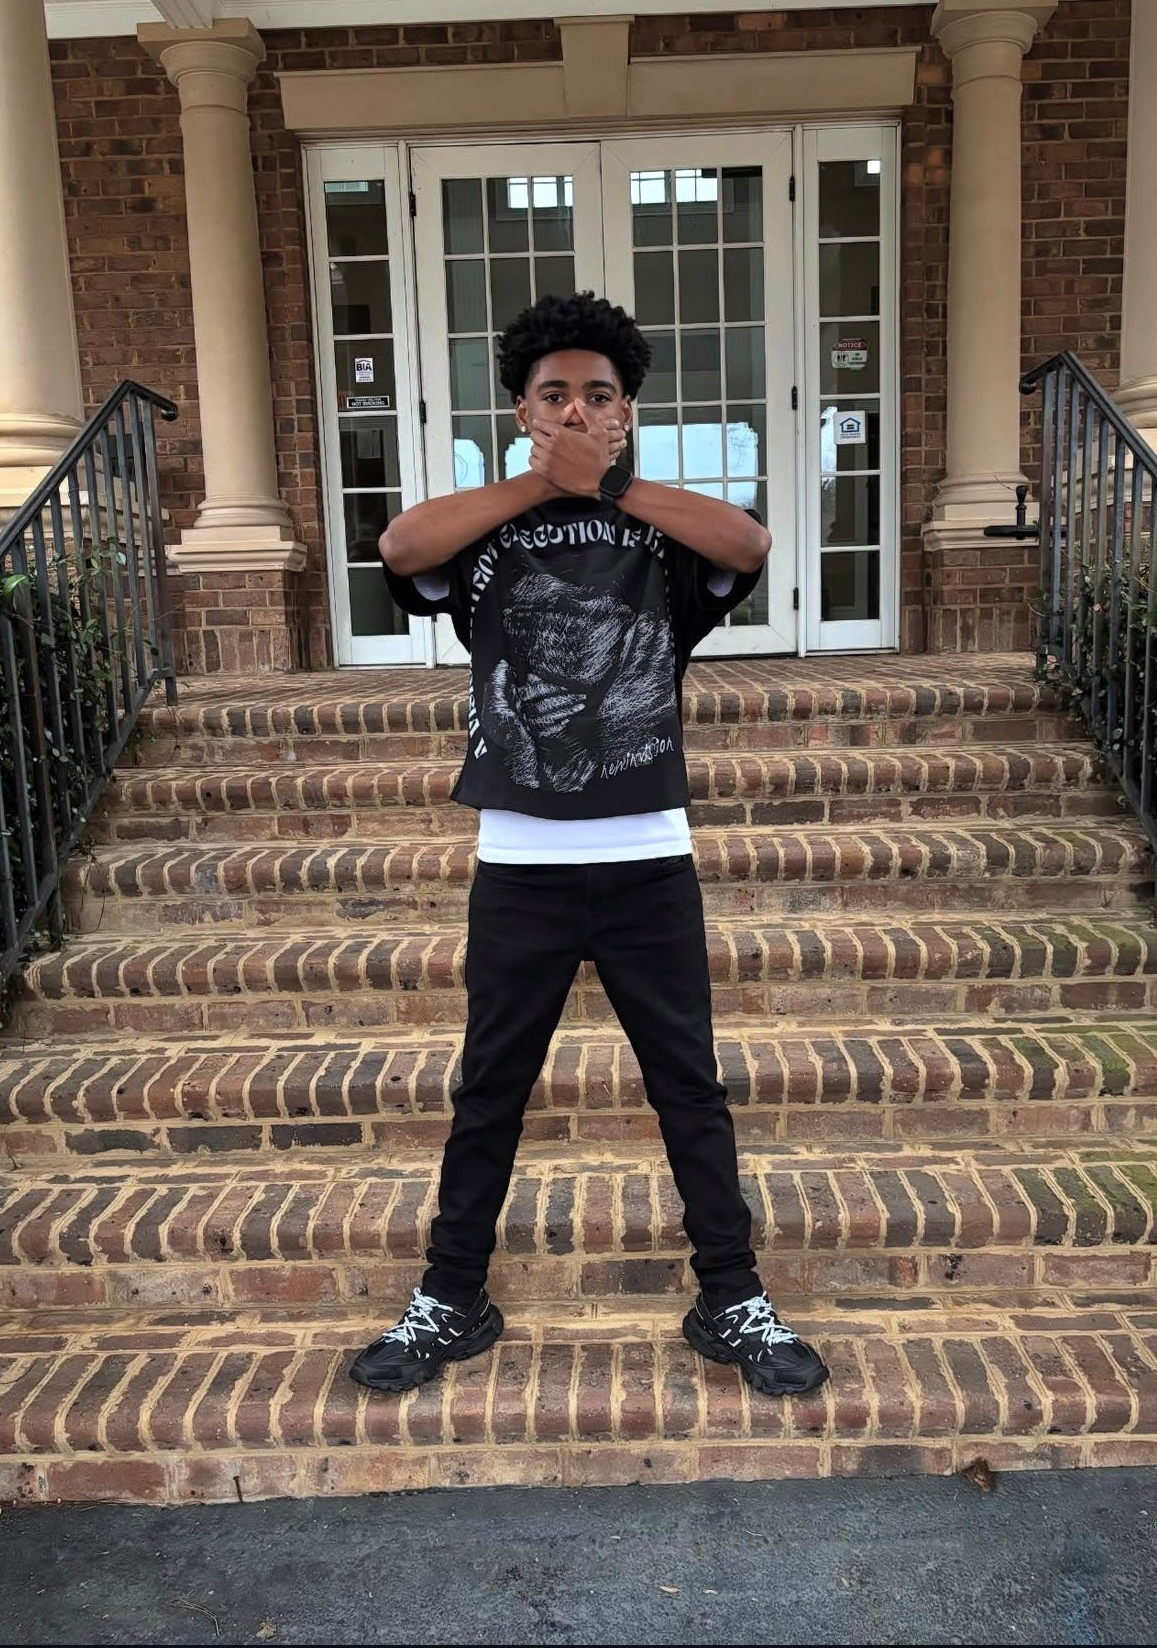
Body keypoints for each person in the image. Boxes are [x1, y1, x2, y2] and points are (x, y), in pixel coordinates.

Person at [349, 292, 829, 1400]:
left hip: (646, 855)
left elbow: (748, 544)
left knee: (687, 1088)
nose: (575, 409)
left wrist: (606, 487)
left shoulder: (661, 535)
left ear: (626, 415)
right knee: (490, 1090)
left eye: (598, 395)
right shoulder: (486, 527)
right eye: (553, 394)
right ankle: (451, 1296)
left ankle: (730, 1296)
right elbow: (399, 547)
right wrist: (540, 484)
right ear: (521, 411)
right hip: (519, 863)